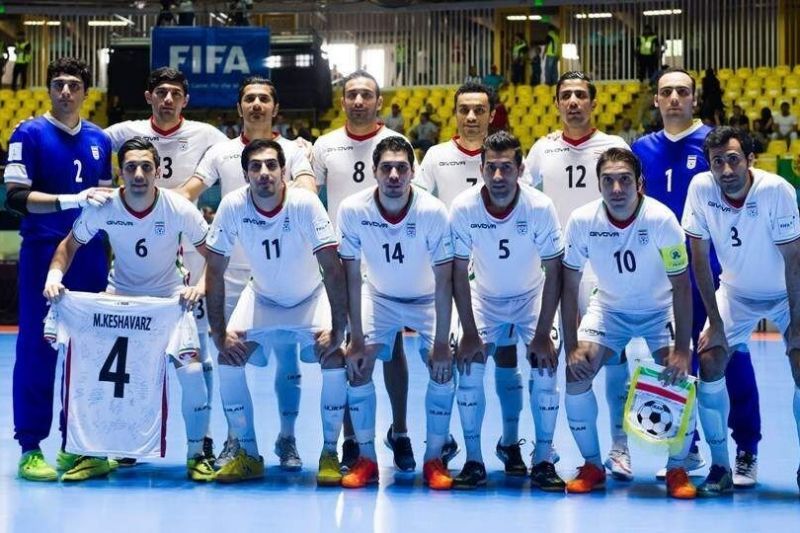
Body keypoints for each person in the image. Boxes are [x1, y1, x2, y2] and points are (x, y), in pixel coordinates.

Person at [43, 138, 215, 482]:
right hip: (120, 301)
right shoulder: (105, 207)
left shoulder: (178, 207)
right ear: (120, 172)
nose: (139, 174)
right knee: (97, 378)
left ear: (157, 171)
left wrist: (199, 286)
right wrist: (54, 276)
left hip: (169, 303)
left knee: (193, 374)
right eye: (131, 167)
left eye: (146, 167)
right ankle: (94, 454)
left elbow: (215, 253)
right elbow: (68, 246)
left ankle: (197, 454)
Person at [178, 75, 316, 471]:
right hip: (232, 276)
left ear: (276, 108)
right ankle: (237, 440)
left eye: (264, 99)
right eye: (249, 99)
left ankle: (287, 438)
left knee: (287, 360)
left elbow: (307, 192)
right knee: (230, 356)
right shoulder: (221, 152)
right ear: (240, 107)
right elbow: (187, 194)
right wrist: (142, 203)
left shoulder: (293, 151)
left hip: (282, 273)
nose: (256, 105)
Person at [632, 68, 762, 486]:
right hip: (663, 278)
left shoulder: (713, 145)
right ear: (656, 99)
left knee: (729, 357)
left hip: (715, 274)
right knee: (674, 363)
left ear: (694, 99)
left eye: (682, 91)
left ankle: (745, 449)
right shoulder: (641, 148)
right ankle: (684, 448)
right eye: (666, 91)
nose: (674, 98)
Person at [312, 70, 442, 473]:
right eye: (351, 94)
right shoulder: (325, 144)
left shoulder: (398, 144)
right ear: (342, 100)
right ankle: (353, 440)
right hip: (347, 257)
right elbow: (307, 191)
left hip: (396, 259)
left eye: (366, 94)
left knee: (395, 350)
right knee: (352, 349)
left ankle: (400, 432)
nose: (358, 101)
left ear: (378, 101)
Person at [205, 138, 348, 485]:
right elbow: (214, 271)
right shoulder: (232, 205)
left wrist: (339, 330)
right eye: (255, 167)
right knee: (228, 357)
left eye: (271, 165)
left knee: (335, 357)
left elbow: (332, 268)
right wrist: (220, 333)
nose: (264, 172)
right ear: (245, 175)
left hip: (310, 298)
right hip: (262, 298)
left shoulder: (305, 204)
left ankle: (330, 453)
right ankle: (248, 453)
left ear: (284, 171)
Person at [104, 67, 229, 464]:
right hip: (146, 246)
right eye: (161, 92)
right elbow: (84, 141)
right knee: (135, 353)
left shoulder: (207, 135)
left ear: (185, 100)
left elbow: (239, 156)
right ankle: (130, 437)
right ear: (149, 97)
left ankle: (203, 438)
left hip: (191, 247)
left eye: (175, 93)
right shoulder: (125, 132)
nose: (168, 99)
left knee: (198, 351)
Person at [561, 147, 697, 498]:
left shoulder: (661, 219)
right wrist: (571, 346)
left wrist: (682, 351)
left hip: (659, 309)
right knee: (576, 373)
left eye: (624, 179)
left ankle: (677, 468)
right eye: (608, 181)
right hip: (610, 310)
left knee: (681, 376)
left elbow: (682, 285)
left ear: (640, 183)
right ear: (599, 185)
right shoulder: (582, 220)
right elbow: (569, 283)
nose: (616, 188)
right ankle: (592, 465)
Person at [4, 57, 114, 482]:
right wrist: (70, 201)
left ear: (86, 92)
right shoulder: (28, 133)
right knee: (37, 347)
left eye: (73, 85)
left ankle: (78, 446)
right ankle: (30, 447)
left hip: (89, 254)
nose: (66, 91)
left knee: (88, 351)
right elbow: (15, 197)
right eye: (58, 84)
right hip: (42, 252)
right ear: (49, 89)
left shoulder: (99, 139)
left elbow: (104, 203)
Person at [682, 126, 800, 496]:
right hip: (735, 293)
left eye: (733, 159)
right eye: (717, 162)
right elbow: (698, 259)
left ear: (750, 160)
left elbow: (794, 260)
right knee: (710, 360)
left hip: (784, 294)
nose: (726, 170)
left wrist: (796, 326)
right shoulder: (701, 188)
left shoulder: (776, 190)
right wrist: (715, 324)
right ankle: (720, 466)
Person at [337, 136, 455, 490]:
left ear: (412, 172)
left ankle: (434, 457)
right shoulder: (353, 209)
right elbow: (352, 276)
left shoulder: (433, 211)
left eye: (401, 168)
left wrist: (441, 343)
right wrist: (357, 338)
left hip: (427, 299)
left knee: (443, 366)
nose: (393, 175)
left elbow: (445, 280)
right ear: (373, 171)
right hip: (380, 297)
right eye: (386, 168)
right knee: (358, 365)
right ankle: (367, 459)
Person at [450, 131, 564, 490]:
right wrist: (469, 332)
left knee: (545, 369)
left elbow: (555, 271)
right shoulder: (464, 206)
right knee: (469, 368)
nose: (498, 176)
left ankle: (543, 460)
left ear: (521, 169)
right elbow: (457, 271)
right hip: (484, 299)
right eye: (491, 168)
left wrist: (543, 334)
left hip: (532, 298)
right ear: (481, 169)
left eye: (506, 168)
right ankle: (473, 460)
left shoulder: (540, 206)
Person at [415, 82, 496, 207]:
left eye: (479, 110)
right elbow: (417, 201)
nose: (471, 117)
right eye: (464, 110)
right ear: (455, 113)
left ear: (491, 115)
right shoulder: (435, 155)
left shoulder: (506, 156)